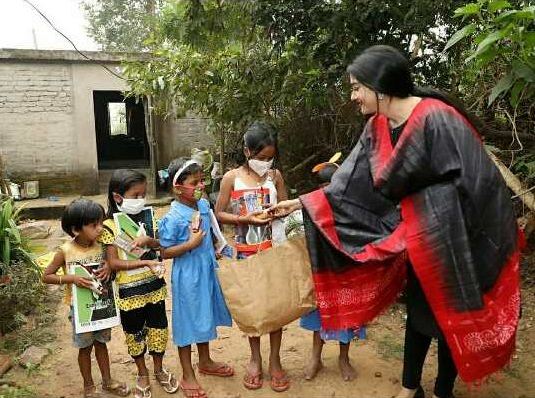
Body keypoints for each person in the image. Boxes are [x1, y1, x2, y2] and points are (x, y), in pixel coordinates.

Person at [271, 45, 520, 398]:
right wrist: (296, 204)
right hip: (419, 241)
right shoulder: (377, 127)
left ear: (380, 86)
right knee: (419, 315)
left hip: (459, 238)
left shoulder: (437, 118)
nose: (353, 95)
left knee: (454, 314)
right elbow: (348, 184)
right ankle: (409, 388)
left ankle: (443, 390)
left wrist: (457, 225)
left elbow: (479, 180)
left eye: (357, 87)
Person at [214, 121, 289, 392]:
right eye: (261, 157)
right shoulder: (231, 177)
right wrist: (242, 218)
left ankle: (275, 359)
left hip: (273, 250)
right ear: (247, 151)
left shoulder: (275, 176)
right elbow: (218, 213)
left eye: (270, 158)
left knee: (276, 307)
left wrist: (276, 211)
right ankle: (255, 359)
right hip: (247, 253)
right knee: (254, 307)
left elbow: (286, 207)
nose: (266, 163)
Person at [98, 169, 178, 398]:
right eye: (135, 195)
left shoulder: (149, 217)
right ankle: (142, 373)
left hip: (154, 287)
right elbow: (113, 263)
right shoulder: (109, 226)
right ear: (117, 197)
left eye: (143, 194)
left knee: (159, 329)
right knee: (134, 333)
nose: (140, 200)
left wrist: (150, 241)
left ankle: (159, 370)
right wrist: (146, 265)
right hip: (128, 292)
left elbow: (161, 246)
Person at [158, 157, 233, 398]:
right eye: (195, 182)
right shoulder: (172, 217)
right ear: (178, 188)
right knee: (187, 321)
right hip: (188, 276)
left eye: (203, 181)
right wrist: (190, 244)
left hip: (207, 270)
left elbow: (210, 233)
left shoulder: (202, 206)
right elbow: (164, 251)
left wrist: (216, 248)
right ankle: (187, 373)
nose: (201, 186)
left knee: (204, 316)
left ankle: (205, 361)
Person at [42, 199, 129, 398]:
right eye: (94, 225)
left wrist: (108, 266)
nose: (100, 229)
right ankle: (88, 386)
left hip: (102, 304)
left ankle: (107, 381)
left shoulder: (103, 247)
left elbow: (112, 264)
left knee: (101, 344)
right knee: (85, 347)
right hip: (80, 309)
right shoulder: (65, 251)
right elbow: (46, 276)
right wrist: (71, 278)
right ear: (75, 230)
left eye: (101, 222)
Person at [300, 158, 366, 382]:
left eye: (330, 186)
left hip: (347, 272)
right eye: (321, 187)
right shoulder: (311, 208)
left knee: (346, 314)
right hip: (322, 272)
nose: (326, 191)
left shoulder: (353, 209)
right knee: (319, 314)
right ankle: (315, 358)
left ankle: (343, 358)